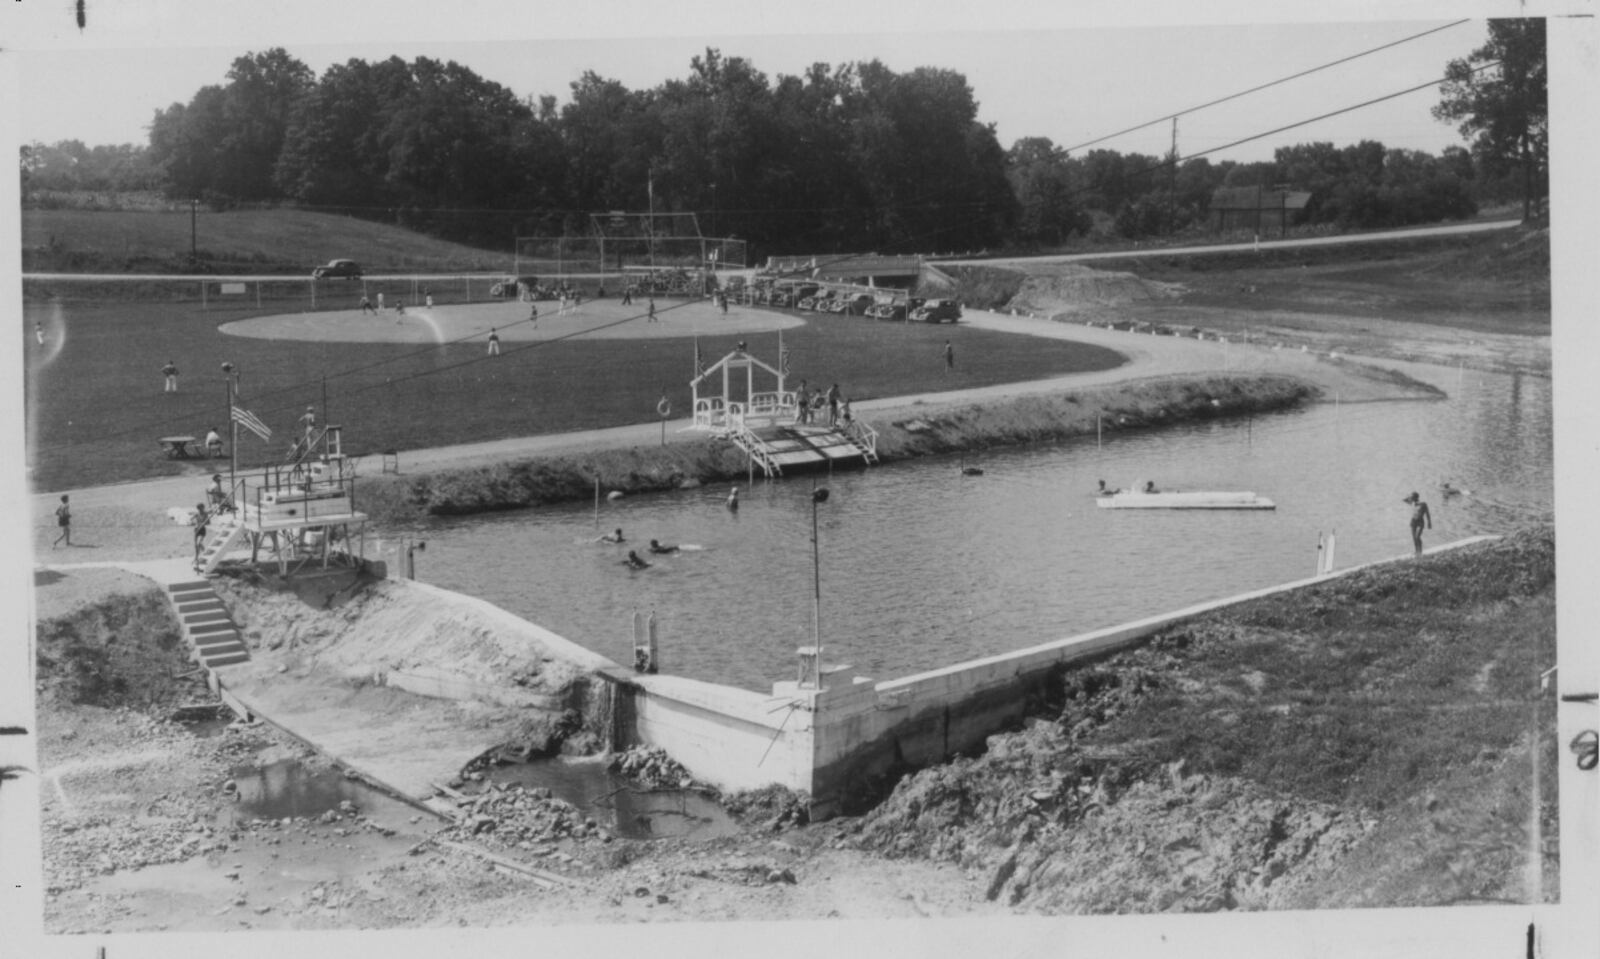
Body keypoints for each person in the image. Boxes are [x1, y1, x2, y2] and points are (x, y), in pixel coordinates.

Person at [1404, 491, 1433, 556]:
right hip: (1413, 521)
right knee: (1414, 538)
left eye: (1412, 497)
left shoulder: (1423, 504)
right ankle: (1416, 552)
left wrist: (1429, 522)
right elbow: (1404, 500)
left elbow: (1427, 513)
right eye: (1411, 497)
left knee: (1417, 537)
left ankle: (1420, 552)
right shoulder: (1412, 503)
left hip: (1420, 522)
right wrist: (1408, 496)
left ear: (1415, 497)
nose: (1411, 498)